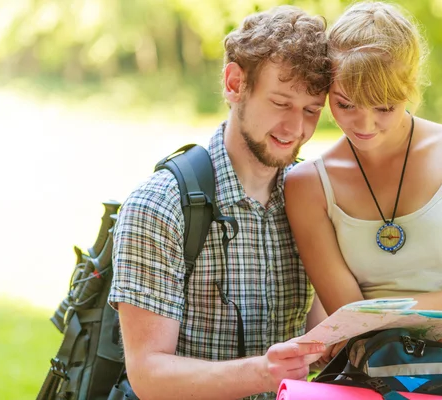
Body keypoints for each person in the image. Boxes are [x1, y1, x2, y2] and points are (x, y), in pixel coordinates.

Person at [285, 0, 442, 390]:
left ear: (411, 86)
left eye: (384, 106)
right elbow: (349, 315)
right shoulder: (307, 185)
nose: (364, 124)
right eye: (345, 104)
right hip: (373, 363)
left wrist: (388, 316)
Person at [108, 6, 333, 400]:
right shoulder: (160, 206)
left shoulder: (315, 195)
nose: (297, 129)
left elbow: (323, 336)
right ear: (234, 83)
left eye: (311, 110)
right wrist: (265, 373)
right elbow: (147, 372)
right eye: (281, 103)